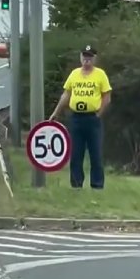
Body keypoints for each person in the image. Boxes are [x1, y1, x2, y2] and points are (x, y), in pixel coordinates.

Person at [49, 45, 112, 189]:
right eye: (84, 56)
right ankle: (76, 184)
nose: (86, 60)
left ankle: (97, 184)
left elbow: (107, 97)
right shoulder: (74, 74)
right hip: (76, 118)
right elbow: (66, 94)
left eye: (89, 57)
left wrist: (99, 113)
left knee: (95, 153)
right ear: (80, 57)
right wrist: (56, 112)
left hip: (92, 119)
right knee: (76, 154)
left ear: (94, 58)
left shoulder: (100, 74)